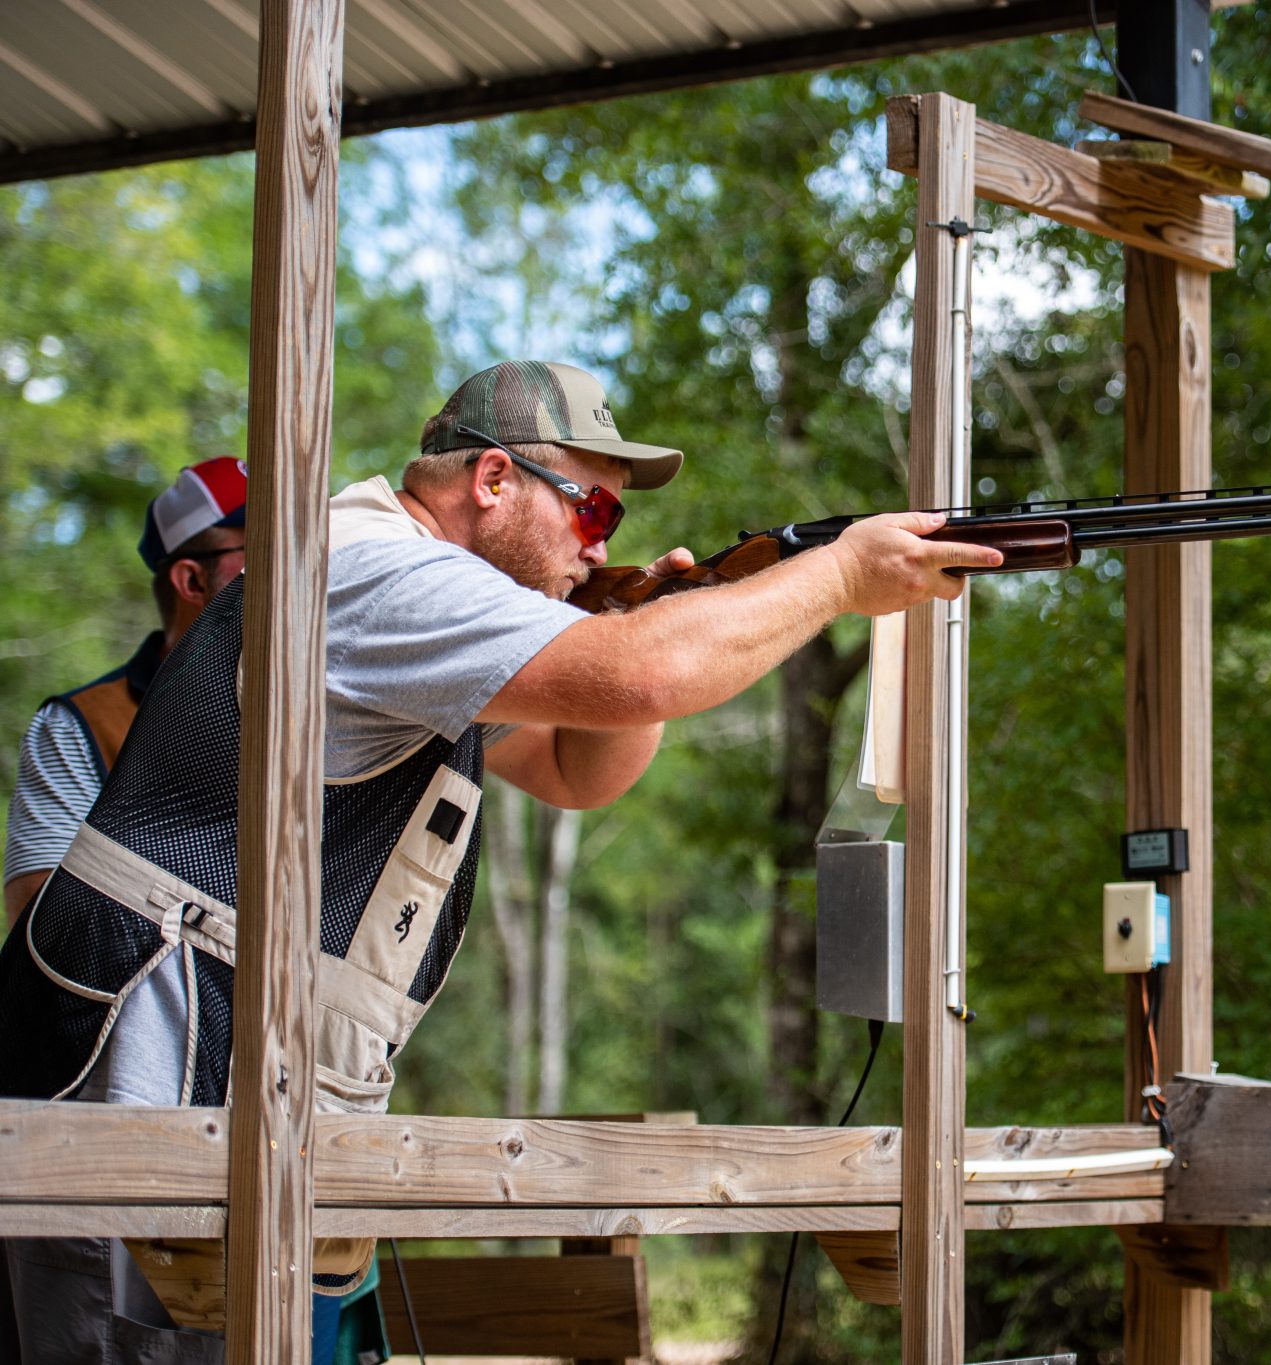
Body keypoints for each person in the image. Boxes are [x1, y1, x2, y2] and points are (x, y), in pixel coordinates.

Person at [0, 360, 994, 1361]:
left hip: (224, 1081)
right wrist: (831, 577)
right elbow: (641, 677)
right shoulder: (379, 568)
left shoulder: (400, 581)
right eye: (592, 506)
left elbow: (577, 766)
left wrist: (617, 616)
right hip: (159, 1071)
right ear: (490, 482)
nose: (599, 539)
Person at [2, 457, 248, 923]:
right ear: (192, 580)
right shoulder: (80, 725)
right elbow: (38, 927)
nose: (298, 566)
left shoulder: (335, 704)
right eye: (265, 548)